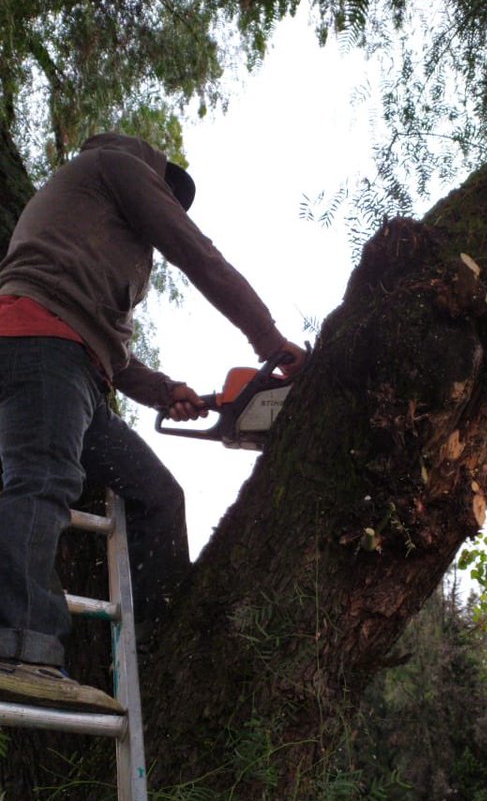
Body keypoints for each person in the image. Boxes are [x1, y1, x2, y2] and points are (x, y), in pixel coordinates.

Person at [0, 131, 305, 713]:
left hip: (75, 366)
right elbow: (196, 253)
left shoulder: (86, 236)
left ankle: (163, 648)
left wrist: (166, 391)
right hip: (41, 345)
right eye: (168, 200)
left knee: (159, 496)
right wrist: (271, 342)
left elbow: (107, 346)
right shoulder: (116, 166)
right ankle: (23, 650)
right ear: (156, 180)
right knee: (41, 482)